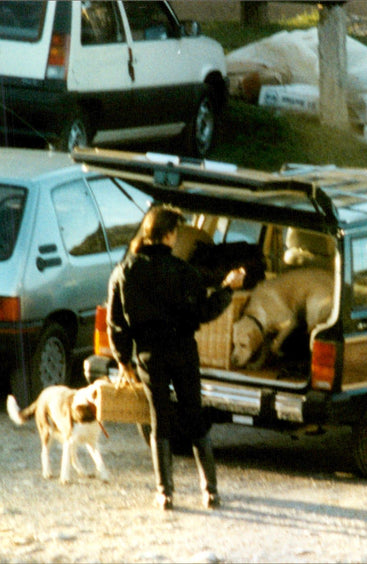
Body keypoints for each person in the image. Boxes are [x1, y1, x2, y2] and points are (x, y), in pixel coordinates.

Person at [106, 205, 245, 510]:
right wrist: (227, 288)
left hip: (148, 356)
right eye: (176, 232)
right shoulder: (185, 272)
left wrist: (122, 360)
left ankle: (164, 493)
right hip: (183, 352)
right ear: (169, 235)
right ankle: (210, 491)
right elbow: (205, 311)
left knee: (160, 422)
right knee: (194, 417)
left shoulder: (124, 271)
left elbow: (116, 322)